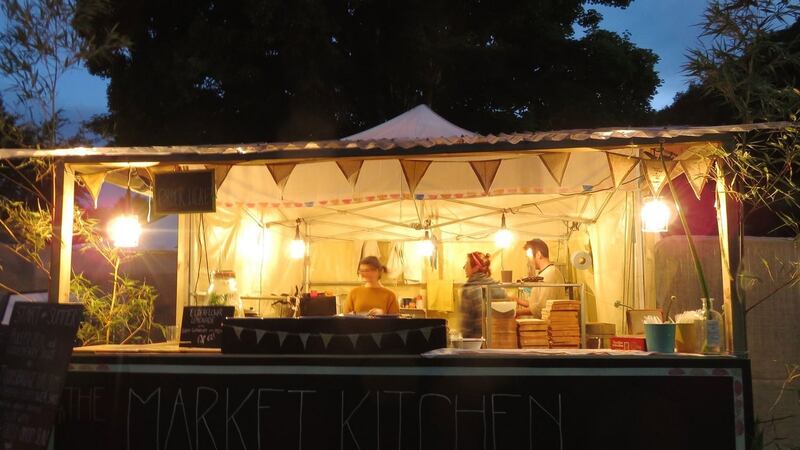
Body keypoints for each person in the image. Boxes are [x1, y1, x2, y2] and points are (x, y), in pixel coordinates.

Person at [460, 252, 506, 338]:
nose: (464, 268)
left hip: (476, 345)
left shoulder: (468, 290)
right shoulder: (498, 288)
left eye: (467, 264)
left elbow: (466, 326)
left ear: (476, 268)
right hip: (498, 342)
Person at [516, 239, 565, 318]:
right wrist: (517, 300)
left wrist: (517, 312)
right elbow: (536, 303)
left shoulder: (551, 273)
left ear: (538, 254)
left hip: (550, 327)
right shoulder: (544, 273)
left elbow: (542, 307)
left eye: (530, 256)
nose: (529, 260)